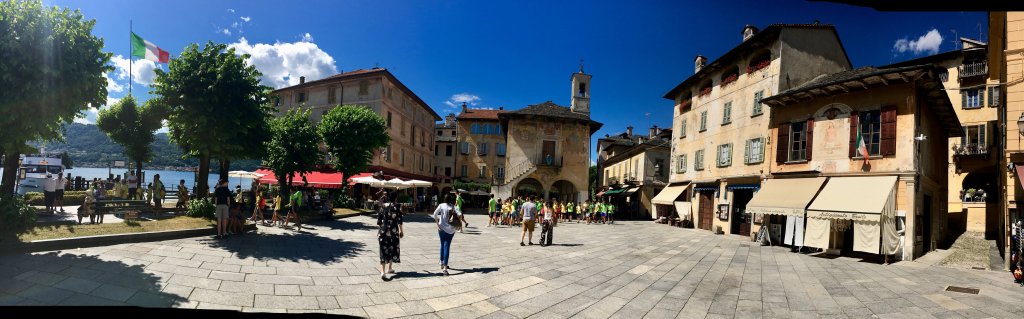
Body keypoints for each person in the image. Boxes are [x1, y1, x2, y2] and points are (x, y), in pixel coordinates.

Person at [377, 191, 404, 280]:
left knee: (383, 249)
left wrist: (379, 230)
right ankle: (389, 268)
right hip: (393, 231)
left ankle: (382, 272)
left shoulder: (384, 206)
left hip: (383, 230)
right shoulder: (398, 207)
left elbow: (379, 220)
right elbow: (399, 220)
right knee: (392, 248)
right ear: (396, 198)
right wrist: (401, 231)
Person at [432, 194, 461, 276]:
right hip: (451, 230)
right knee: (446, 245)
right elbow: (460, 214)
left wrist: (438, 225)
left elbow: (434, 215)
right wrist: (458, 224)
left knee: (442, 244)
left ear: (444, 199)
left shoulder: (441, 205)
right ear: (451, 200)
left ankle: (442, 262)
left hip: (441, 228)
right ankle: (445, 267)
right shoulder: (453, 207)